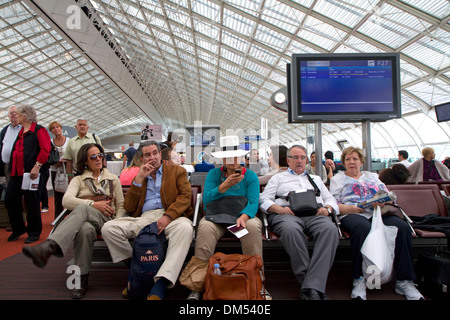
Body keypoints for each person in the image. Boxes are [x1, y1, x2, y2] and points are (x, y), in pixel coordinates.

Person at [22, 143, 125, 299]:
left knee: (82, 210)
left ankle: (50, 247)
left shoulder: (113, 179)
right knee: (85, 230)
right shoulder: (78, 180)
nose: (98, 159)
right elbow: (66, 201)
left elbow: (121, 206)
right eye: (93, 157)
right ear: (85, 161)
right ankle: (80, 280)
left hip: (107, 221)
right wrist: (94, 204)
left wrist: (115, 224)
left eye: (100, 155)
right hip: (88, 222)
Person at [101, 140, 193, 300]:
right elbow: (129, 206)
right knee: (109, 229)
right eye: (147, 155)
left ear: (160, 154)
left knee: (186, 229)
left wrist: (168, 216)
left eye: (155, 153)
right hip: (145, 218)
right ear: (141, 158)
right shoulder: (140, 175)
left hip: (172, 216)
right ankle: (138, 271)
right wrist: (138, 180)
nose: (152, 157)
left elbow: (185, 197)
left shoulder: (177, 171)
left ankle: (161, 282)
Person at [329, 146, 424, 300]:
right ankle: (360, 279)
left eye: (355, 159)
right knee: (363, 229)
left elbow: (385, 193)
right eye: (348, 159)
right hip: (352, 212)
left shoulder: (372, 176)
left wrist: (381, 201)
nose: (351, 162)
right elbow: (334, 203)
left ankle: (404, 280)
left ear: (361, 161)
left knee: (402, 228)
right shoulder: (337, 179)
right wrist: (351, 208)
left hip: (378, 212)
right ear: (343, 162)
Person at [186, 135, 268, 300]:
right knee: (205, 228)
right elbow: (206, 199)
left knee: (252, 227)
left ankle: (258, 282)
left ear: (241, 158)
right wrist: (223, 186)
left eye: (236, 156)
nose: (233, 160)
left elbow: (253, 202)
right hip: (217, 218)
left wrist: (244, 216)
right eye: (229, 157)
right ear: (223, 160)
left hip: (240, 216)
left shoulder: (250, 176)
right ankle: (197, 285)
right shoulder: (214, 175)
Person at [259, 145, 339, 300]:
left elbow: (330, 199)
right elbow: (263, 199)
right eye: (295, 157)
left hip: (315, 214)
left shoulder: (315, 179)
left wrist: (328, 209)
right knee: (291, 231)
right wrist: (277, 208)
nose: (299, 161)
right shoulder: (278, 178)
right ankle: (313, 286)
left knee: (330, 230)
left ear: (307, 160)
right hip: (286, 214)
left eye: (303, 157)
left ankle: (309, 287)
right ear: (288, 160)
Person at [5, 104, 51, 243]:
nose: (15, 116)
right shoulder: (21, 131)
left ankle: (34, 231)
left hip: (32, 173)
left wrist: (37, 166)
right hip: (16, 172)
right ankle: (18, 228)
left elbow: (45, 149)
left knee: (32, 202)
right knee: (10, 200)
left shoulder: (39, 130)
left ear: (25, 116)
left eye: (18, 114)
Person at [48, 121, 69, 219]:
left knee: (69, 193)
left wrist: (65, 161)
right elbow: (48, 156)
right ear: (51, 131)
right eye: (53, 128)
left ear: (61, 128)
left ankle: (71, 217)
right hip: (54, 170)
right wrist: (55, 162)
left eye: (57, 127)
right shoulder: (50, 142)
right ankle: (58, 218)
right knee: (57, 194)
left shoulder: (69, 141)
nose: (56, 129)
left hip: (67, 170)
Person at [0, 105, 22, 183]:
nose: (14, 114)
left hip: (22, 166)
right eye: (11, 113)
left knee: (22, 189)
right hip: (8, 166)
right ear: (8, 115)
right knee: (10, 189)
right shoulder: (5, 130)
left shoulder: (24, 128)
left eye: (16, 112)